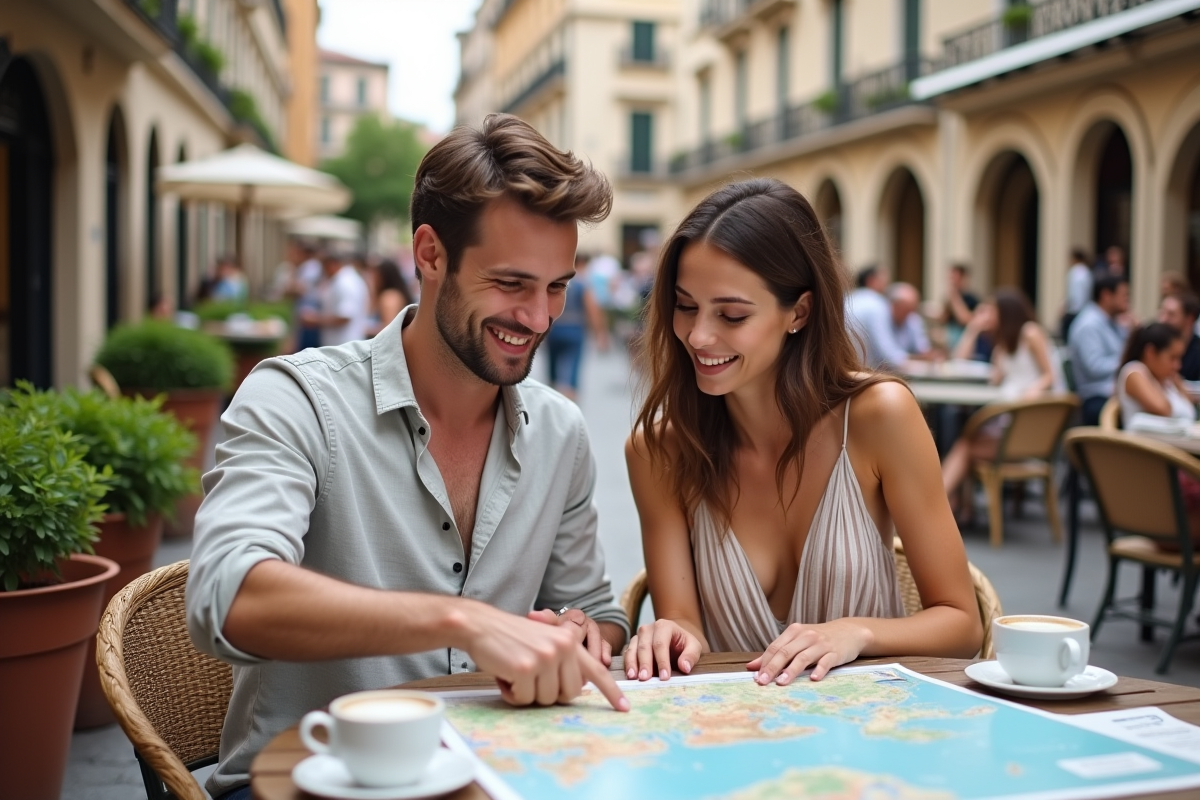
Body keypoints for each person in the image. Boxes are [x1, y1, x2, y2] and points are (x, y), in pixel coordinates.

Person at [187, 114, 630, 800]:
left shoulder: (561, 431)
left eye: (558, 287)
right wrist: (464, 620)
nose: (541, 319)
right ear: (429, 254)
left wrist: (575, 633)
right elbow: (228, 596)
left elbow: (595, 610)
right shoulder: (295, 398)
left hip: (493, 777)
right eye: (513, 283)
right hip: (302, 783)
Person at [623, 178, 982, 687]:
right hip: (732, 741)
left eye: (731, 314)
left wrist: (856, 633)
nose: (699, 336)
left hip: (872, 740)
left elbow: (962, 624)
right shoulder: (659, 451)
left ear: (800, 312)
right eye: (685, 306)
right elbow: (683, 620)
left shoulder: (879, 417)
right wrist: (671, 634)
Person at [941, 288, 1063, 513]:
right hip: (1009, 421)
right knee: (964, 436)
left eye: (991, 311)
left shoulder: (1030, 333)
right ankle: (957, 506)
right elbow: (969, 367)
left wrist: (1030, 394)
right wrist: (973, 330)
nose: (986, 316)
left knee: (964, 444)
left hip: (1026, 423)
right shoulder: (1003, 345)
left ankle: (941, 504)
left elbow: (1050, 375)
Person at [543, 252, 609, 401]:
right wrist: (600, 334)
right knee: (572, 370)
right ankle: (569, 406)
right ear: (582, 264)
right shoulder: (583, 283)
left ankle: (549, 400)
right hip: (575, 329)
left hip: (554, 328)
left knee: (552, 368)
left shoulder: (556, 281)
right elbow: (592, 309)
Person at [1068, 274, 1130, 425]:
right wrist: (1126, 363)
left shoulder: (1112, 322)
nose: (1127, 301)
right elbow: (1094, 366)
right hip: (1096, 398)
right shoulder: (1089, 324)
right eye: (1124, 295)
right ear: (1106, 296)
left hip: (1114, 392)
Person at [1117, 323, 1194, 427]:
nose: (1178, 365)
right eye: (1172, 358)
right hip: (1144, 442)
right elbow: (1163, 409)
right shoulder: (1135, 371)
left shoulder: (1167, 379)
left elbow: (1190, 409)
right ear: (1150, 352)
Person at [846, 265, 912, 371]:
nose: (887, 283)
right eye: (883, 279)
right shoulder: (877, 303)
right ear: (871, 280)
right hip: (863, 372)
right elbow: (888, 352)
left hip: (843, 369)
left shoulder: (848, 298)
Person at [301, 252, 371, 346]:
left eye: (324, 267)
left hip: (343, 344)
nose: (324, 272)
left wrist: (314, 319)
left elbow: (344, 316)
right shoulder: (345, 279)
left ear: (332, 264)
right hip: (343, 344)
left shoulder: (344, 282)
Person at [365, 258, 414, 338]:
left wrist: (366, 329)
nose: (372, 278)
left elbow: (389, 327)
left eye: (375, 274)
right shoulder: (391, 294)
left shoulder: (389, 297)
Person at [1158, 292, 1200, 381]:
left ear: (1190, 318)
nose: (1163, 319)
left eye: (1171, 314)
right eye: (1162, 312)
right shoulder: (1155, 347)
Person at [888, 282, 932, 359]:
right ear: (894, 306)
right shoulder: (884, 319)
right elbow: (889, 355)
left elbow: (924, 349)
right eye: (906, 309)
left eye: (912, 309)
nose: (910, 314)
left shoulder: (913, 319)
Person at [941, 264, 979, 351]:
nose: (952, 281)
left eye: (955, 278)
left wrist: (955, 297)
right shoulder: (949, 298)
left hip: (965, 342)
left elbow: (965, 320)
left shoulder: (971, 299)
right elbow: (944, 319)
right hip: (950, 342)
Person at [1061, 248, 1092, 339]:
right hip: (1084, 310)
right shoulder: (1087, 271)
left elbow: (1074, 294)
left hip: (1074, 311)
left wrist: (1066, 307)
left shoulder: (1075, 271)